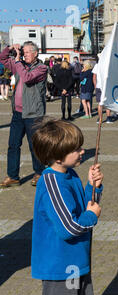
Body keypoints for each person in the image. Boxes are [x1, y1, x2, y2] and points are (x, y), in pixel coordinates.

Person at [31, 119, 103, 295]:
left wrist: (93, 187)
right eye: (76, 149)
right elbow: (69, 228)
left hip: (77, 260)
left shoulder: (70, 174)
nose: (82, 151)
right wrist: (91, 217)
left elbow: (83, 207)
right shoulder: (52, 183)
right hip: (61, 266)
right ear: (57, 157)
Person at [0, 41, 47, 188]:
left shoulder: (42, 68)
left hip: (33, 113)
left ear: (35, 53)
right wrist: (10, 48)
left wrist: (17, 60)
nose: (24, 54)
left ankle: (39, 173)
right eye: (23, 52)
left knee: (35, 146)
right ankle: (13, 176)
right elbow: (2, 59)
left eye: (26, 52)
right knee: (13, 145)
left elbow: (27, 78)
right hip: (18, 113)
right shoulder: (20, 65)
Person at [92, 56, 113, 124]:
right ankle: (108, 118)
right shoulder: (108, 65)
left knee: (100, 103)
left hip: (99, 86)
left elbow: (94, 77)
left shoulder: (97, 65)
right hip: (106, 86)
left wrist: (95, 86)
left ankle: (100, 118)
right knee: (107, 102)